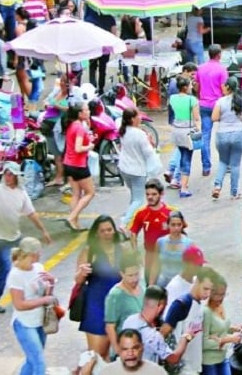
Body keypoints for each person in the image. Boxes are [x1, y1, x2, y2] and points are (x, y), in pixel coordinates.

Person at [0, 161, 51, 314]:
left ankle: (28, 291)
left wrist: (44, 231)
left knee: (30, 262)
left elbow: (31, 214)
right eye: (6, 174)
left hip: (15, 236)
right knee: (5, 269)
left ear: (16, 177)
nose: (8, 177)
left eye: (11, 174)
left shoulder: (21, 193)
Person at [76, 215, 129, 357]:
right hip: (96, 306)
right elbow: (78, 281)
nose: (107, 233)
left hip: (117, 306)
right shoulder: (89, 251)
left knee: (115, 354)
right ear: (96, 233)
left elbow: (132, 275)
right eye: (103, 231)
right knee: (96, 355)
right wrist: (82, 273)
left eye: (109, 230)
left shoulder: (122, 250)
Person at [6, 237, 56, 375]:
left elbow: (45, 293)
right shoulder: (16, 275)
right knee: (39, 363)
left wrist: (51, 283)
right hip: (24, 323)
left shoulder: (38, 268)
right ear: (32, 254)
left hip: (39, 321)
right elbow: (19, 304)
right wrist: (44, 299)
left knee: (32, 360)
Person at [161, 266, 219, 375]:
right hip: (182, 368)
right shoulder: (181, 304)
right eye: (205, 289)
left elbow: (197, 332)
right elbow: (162, 334)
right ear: (197, 281)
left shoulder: (201, 303)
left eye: (211, 290)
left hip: (195, 366)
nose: (208, 294)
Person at [122, 285, 193, 368]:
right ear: (160, 306)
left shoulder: (129, 320)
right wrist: (187, 337)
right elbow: (174, 358)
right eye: (165, 305)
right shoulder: (152, 336)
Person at [212, 76, 242, 200]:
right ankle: (234, 192)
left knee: (223, 162)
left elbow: (214, 118)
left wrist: (224, 117)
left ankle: (217, 186)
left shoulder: (220, 101)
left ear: (227, 87)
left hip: (222, 135)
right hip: (238, 135)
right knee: (235, 165)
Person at [128, 179, 176, 286]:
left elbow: (180, 233)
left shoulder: (171, 213)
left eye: (154, 194)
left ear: (161, 194)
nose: (150, 197)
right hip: (150, 256)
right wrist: (135, 253)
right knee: (150, 286)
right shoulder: (141, 213)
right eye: (147, 194)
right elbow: (133, 233)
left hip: (167, 256)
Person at [117, 108, 158, 232]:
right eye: (138, 116)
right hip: (137, 170)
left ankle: (129, 218)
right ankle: (124, 222)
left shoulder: (123, 131)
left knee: (134, 196)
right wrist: (151, 143)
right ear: (132, 119)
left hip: (124, 168)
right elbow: (148, 153)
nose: (140, 118)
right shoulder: (139, 134)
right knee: (138, 200)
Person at [62, 102, 97, 231]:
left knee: (76, 194)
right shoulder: (79, 128)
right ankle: (72, 217)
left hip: (68, 163)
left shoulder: (72, 125)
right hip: (78, 165)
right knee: (90, 193)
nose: (88, 112)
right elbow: (78, 148)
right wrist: (90, 147)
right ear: (79, 114)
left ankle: (75, 223)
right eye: (86, 110)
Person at [104, 251, 145, 355]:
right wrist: (118, 351)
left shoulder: (143, 286)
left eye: (136, 274)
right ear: (122, 274)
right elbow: (110, 326)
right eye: (130, 275)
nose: (134, 279)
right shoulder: (115, 295)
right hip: (126, 348)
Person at [202, 273, 242, 375]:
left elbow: (219, 327)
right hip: (209, 361)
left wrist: (235, 328)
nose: (220, 298)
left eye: (223, 294)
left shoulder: (219, 305)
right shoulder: (206, 312)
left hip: (222, 356)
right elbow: (204, 342)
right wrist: (229, 339)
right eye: (217, 294)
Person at [197, 44, 228, 178]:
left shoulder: (200, 68)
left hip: (204, 104)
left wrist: (201, 96)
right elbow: (224, 90)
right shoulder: (222, 70)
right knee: (224, 134)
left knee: (205, 136)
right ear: (219, 55)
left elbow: (197, 87)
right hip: (218, 105)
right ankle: (225, 163)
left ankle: (206, 166)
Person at [169, 76, 200, 198]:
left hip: (176, 130)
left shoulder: (172, 98)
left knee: (181, 155)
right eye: (190, 85)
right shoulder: (192, 100)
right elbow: (196, 118)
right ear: (185, 87)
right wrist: (199, 129)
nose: (192, 87)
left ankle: (178, 180)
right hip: (188, 131)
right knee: (187, 159)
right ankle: (184, 187)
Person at [98, 328, 167, 374]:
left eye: (135, 348)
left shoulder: (157, 372)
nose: (130, 353)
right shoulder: (107, 372)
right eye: (125, 349)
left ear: (142, 348)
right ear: (118, 350)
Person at [151, 211, 192, 287]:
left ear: (182, 225)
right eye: (173, 225)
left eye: (179, 225)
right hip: (163, 283)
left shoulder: (189, 244)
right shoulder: (160, 242)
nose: (176, 228)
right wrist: (151, 286)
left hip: (180, 284)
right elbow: (155, 266)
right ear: (168, 225)